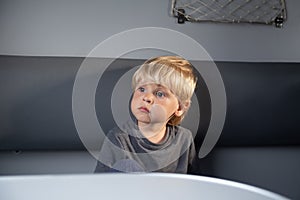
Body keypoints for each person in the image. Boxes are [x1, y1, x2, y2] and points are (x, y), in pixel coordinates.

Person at [94, 55, 197, 173]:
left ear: (180, 107)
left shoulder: (184, 139)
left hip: (171, 191)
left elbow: (195, 183)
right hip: (130, 191)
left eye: (159, 94)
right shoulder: (119, 138)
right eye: (142, 89)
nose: (146, 98)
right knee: (127, 166)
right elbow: (101, 184)